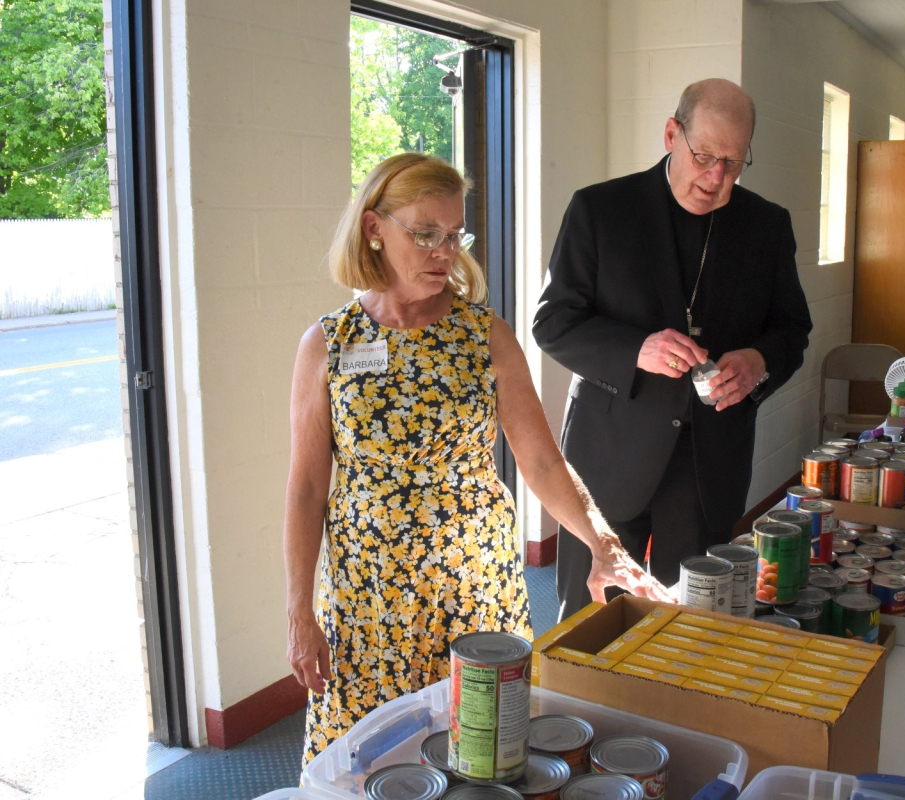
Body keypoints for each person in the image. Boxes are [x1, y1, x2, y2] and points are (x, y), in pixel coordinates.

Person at [283, 153, 671, 764]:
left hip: (473, 581)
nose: (445, 252)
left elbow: (542, 462)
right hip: (369, 592)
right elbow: (307, 490)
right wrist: (299, 611)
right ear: (374, 229)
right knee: (369, 759)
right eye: (425, 234)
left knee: (484, 745)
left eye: (454, 234)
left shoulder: (483, 335)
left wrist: (604, 547)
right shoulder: (329, 344)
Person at [533, 79, 813, 619]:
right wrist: (636, 348)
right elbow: (553, 323)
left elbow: (792, 328)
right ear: (671, 134)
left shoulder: (766, 226)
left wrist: (759, 363)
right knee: (593, 615)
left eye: (733, 163)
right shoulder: (600, 209)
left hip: (709, 458)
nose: (716, 178)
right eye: (704, 156)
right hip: (610, 450)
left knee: (693, 619)